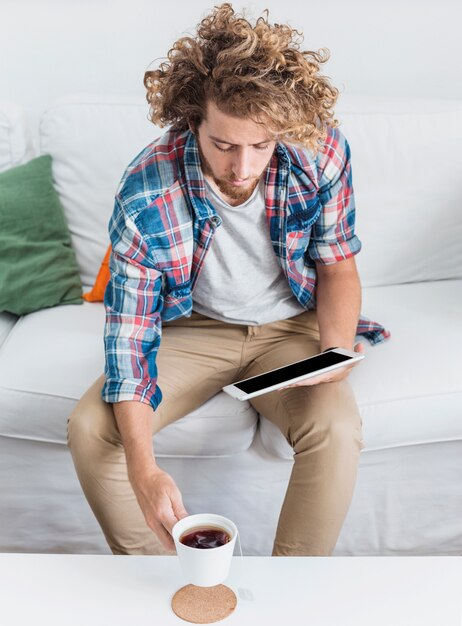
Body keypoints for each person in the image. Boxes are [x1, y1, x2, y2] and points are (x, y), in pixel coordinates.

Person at [67, 2, 390, 557]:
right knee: (90, 428)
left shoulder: (321, 150)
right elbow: (129, 339)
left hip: (291, 325)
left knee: (335, 429)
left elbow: (337, 263)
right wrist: (145, 473)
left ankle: (289, 592)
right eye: (224, 145)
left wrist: (333, 353)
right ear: (194, 120)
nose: (242, 168)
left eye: (260, 146)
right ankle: (160, 580)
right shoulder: (146, 190)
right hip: (195, 329)